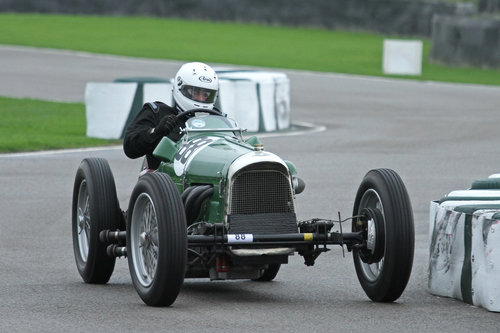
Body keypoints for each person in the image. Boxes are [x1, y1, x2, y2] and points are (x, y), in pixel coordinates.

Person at [123, 62, 219, 169]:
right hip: (165, 180)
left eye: (206, 95)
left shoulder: (217, 120)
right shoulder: (158, 113)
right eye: (195, 93)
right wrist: (156, 132)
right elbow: (129, 148)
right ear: (181, 88)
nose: (201, 99)